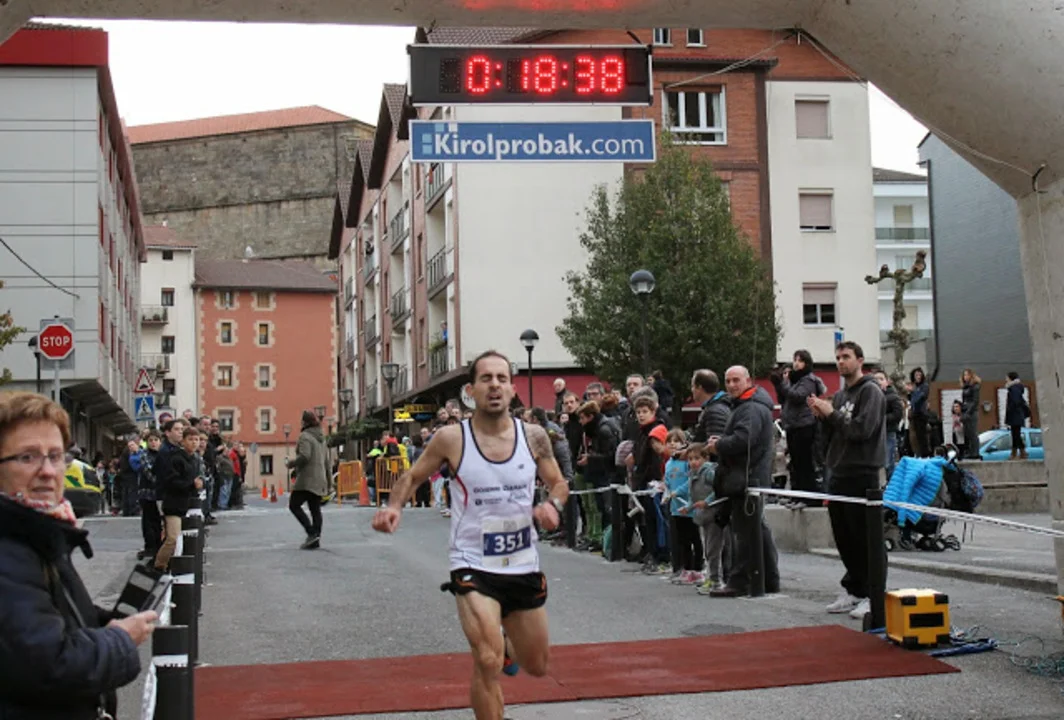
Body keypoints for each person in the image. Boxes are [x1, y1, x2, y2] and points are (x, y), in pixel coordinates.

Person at [372, 351, 568, 720]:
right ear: (471, 390)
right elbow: (413, 476)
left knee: (537, 664)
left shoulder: (534, 436)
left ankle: (507, 645)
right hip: (473, 562)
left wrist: (553, 505)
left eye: (502, 379)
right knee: (487, 659)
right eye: (486, 379)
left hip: (522, 562)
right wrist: (394, 506)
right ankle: (495, 654)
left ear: (512, 388)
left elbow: (558, 482)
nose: (494, 386)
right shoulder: (451, 438)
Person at [0, 391, 156, 718]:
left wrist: (99, 621)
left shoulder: (36, 530)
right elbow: (50, 665)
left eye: (56, 456)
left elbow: (44, 610)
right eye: (27, 457)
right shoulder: (11, 546)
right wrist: (120, 639)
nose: (48, 471)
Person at [808, 341, 886, 620]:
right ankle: (854, 589)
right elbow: (836, 433)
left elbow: (861, 430)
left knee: (865, 537)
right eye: (838, 357)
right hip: (839, 470)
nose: (841, 362)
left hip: (862, 471)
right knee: (844, 537)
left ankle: (874, 594)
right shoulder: (840, 396)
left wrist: (832, 414)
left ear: (860, 360)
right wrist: (823, 418)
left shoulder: (871, 391)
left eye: (846, 357)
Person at [707, 366, 780, 597]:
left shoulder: (751, 408)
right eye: (728, 381)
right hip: (749, 476)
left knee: (746, 533)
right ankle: (767, 579)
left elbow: (744, 439)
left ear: (748, 381)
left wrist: (718, 445)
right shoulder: (748, 406)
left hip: (747, 477)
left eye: (736, 380)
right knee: (756, 530)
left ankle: (741, 581)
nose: (731, 385)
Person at [286, 410, 331, 549]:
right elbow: (327, 461)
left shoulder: (305, 436)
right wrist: (329, 482)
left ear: (304, 422)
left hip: (307, 480)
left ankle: (312, 533)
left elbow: (305, 456)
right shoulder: (321, 438)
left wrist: (291, 463)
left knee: (294, 505)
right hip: (320, 478)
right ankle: (315, 538)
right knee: (315, 509)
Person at [1004, 371, 1031, 460]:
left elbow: (1015, 401)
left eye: (1007, 378)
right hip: (1017, 414)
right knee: (1015, 434)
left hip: (1015, 414)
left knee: (1015, 434)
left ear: (1011, 378)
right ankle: (1020, 452)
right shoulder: (1016, 387)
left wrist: (1010, 409)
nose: (1006, 379)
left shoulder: (1014, 388)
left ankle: (1017, 453)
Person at [960, 368, 982, 459]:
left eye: (967, 375)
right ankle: (970, 451)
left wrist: (968, 412)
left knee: (973, 432)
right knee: (967, 433)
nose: (966, 377)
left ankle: (975, 452)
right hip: (965, 410)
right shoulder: (965, 387)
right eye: (964, 375)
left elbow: (975, 401)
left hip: (972, 412)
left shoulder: (975, 386)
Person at [908, 367, 930, 457]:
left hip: (921, 413)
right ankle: (918, 453)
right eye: (916, 375)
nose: (918, 377)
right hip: (915, 413)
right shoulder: (915, 386)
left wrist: (913, 391)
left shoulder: (924, 386)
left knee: (922, 435)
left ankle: (924, 454)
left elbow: (921, 398)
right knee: (915, 436)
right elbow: (911, 399)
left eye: (919, 375)